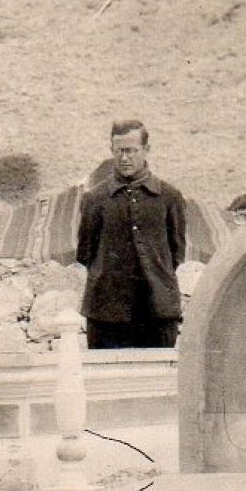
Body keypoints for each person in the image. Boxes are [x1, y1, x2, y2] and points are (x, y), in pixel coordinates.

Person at [74, 119, 188, 349]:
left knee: (157, 379)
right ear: (111, 150)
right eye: (119, 151)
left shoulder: (169, 197)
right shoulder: (95, 199)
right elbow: (85, 253)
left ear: (146, 150)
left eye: (131, 151)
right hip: (106, 314)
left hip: (157, 312)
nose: (124, 158)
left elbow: (177, 253)